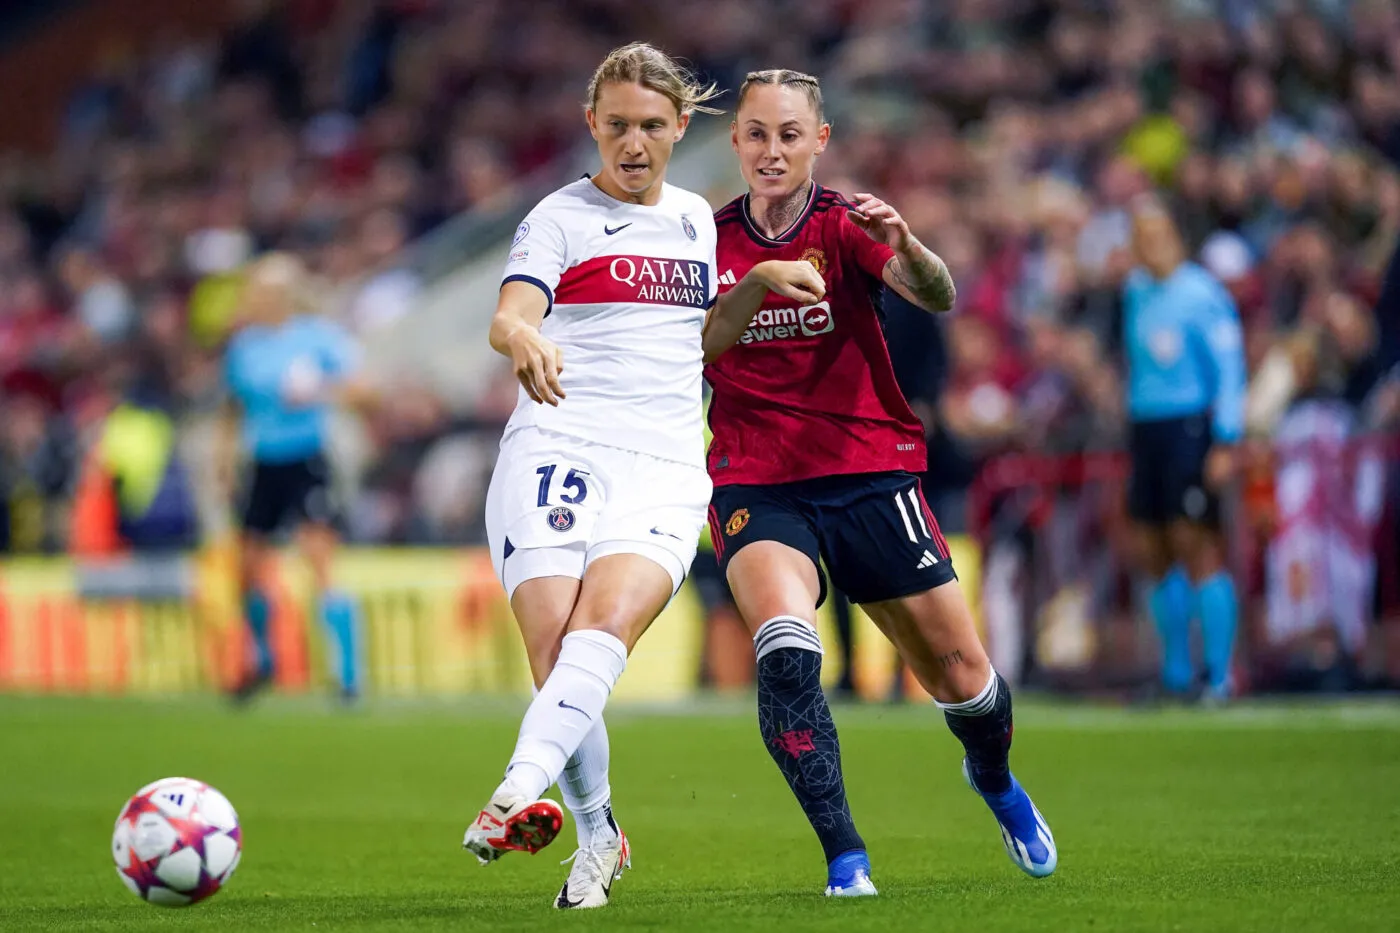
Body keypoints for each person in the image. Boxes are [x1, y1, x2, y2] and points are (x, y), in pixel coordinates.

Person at [461, 44, 824, 910]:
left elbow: (701, 340)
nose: (634, 142)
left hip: (663, 462)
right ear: (592, 124)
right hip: (557, 446)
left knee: (604, 631)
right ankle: (599, 833)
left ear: (679, 129)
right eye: (617, 124)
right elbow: (509, 316)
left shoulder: (697, 220)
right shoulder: (558, 217)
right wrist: (527, 340)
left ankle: (513, 792)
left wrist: (762, 281)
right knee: (555, 648)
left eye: (652, 126)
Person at [703, 70, 1058, 896]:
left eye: (790, 134)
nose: (772, 150)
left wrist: (909, 245)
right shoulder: (708, 239)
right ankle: (845, 856)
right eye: (757, 133)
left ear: (818, 142)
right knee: (786, 654)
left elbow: (937, 295)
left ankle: (995, 779)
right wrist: (757, 283)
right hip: (760, 480)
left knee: (964, 679)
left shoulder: (847, 225)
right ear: (736, 141)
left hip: (870, 470)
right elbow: (703, 347)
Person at [221, 253, 370, 704]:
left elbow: (364, 389)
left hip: (306, 460)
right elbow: (232, 409)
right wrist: (223, 461)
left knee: (318, 560)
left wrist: (319, 390)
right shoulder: (244, 346)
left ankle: (347, 675)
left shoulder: (317, 338)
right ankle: (261, 658)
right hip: (263, 463)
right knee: (248, 566)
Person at [1122, 200, 1246, 703]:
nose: (1147, 245)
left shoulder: (1202, 294)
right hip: (1145, 428)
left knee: (1195, 543)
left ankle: (1218, 675)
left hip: (1189, 428)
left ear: (1175, 237)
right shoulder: (1135, 291)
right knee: (1153, 548)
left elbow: (1230, 368)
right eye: (1140, 236)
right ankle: (1175, 672)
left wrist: (1227, 438)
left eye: (1156, 234)